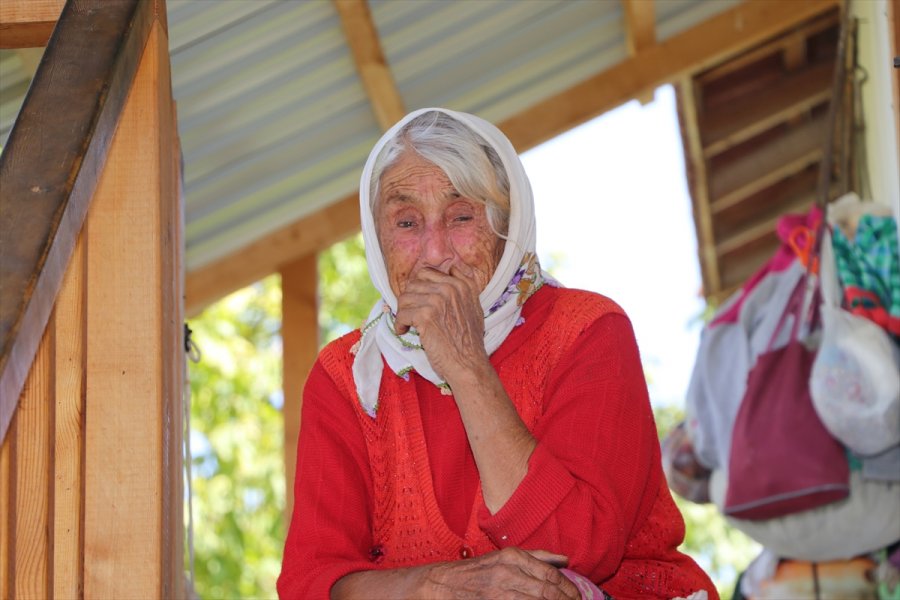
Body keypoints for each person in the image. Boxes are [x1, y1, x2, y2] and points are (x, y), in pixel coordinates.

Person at [278, 108, 717, 599]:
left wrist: (465, 366)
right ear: (378, 240)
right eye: (406, 222)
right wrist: (437, 589)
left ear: (509, 226)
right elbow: (310, 584)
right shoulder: (346, 378)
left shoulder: (586, 331)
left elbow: (575, 549)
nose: (435, 253)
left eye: (462, 217)